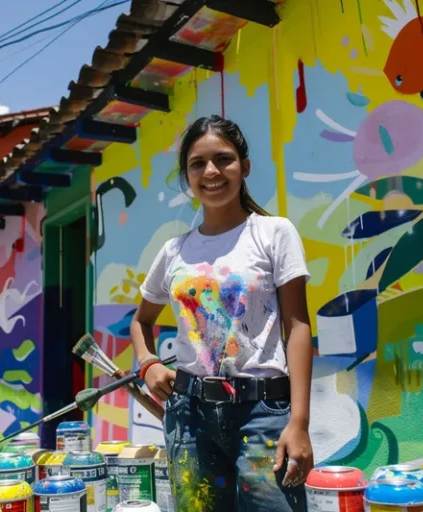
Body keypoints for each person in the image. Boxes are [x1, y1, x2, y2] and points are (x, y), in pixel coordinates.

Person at [130, 115, 314, 511]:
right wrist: (147, 364)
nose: (211, 172)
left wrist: (299, 423)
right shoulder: (173, 252)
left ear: (244, 167)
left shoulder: (273, 233)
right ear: (187, 175)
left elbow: (298, 325)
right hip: (189, 417)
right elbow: (141, 320)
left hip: (263, 415)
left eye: (223, 159)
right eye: (198, 163)